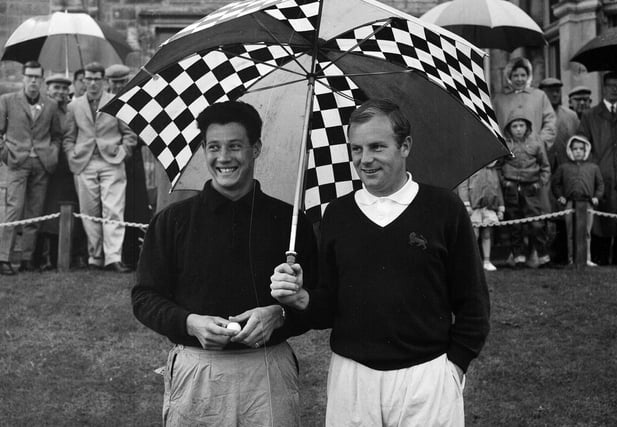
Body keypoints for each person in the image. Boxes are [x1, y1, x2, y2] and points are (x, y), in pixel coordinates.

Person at [271, 99, 490, 426]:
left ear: (405, 146)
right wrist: (303, 297)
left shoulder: (444, 208)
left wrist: (455, 365)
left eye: (377, 147)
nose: (365, 160)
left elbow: (474, 301)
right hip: (353, 379)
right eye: (356, 149)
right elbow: (329, 302)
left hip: (426, 377)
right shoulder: (338, 214)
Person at [132, 101, 317, 426]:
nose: (224, 157)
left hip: (267, 370)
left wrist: (281, 313)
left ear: (256, 148)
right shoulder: (173, 221)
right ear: (203, 149)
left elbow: (318, 300)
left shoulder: (288, 223)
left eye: (235, 146)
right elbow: (145, 297)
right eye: (214, 147)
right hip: (197, 371)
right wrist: (189, 322)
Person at [63, 62, 137, 272]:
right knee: (89, 211)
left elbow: (130, 134)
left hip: (111, 161)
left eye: (97, 79)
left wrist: (123, 151)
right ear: (83, 80)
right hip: (84, 162)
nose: (93, 83)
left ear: (104, 81)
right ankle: (95, 257)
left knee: (113, 209)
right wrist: (71, 155)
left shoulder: (116, 102)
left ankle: (113, 257)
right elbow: (68, 137)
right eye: (89, 79)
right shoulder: (74, 106)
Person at [0, 61, 62, 276]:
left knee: (34, 213)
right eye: (30, 76)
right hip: (17, 162)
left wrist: (51, 153)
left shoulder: (50, 105)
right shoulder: (7, 101)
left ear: (42, 80)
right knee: (13, 210)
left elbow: (57, 135)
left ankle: (27, 258)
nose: (33, 81)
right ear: (23, 78)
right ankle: (4, 258)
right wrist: (7, 155)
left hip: (42, 164)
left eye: (37, 77)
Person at [577, 71, 617, 265]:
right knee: (601, 217)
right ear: (603, 88)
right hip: (601, 171)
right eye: (610, 85)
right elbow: (582, 143)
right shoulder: (590, 115)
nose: (614, 89)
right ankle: (600, 256)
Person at [36, 73, 88, 270]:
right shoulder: (45, 110)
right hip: (49, 166)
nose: (60, 92)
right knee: (48, 211)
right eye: (56, 87)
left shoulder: (72, 109)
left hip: (71, 166)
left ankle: (76, 255)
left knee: (75, 209)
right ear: (48, 90)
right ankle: (45, 257)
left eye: (64, 88)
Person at [105, 64, 151, 267]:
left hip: (133, 163)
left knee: (134, 206)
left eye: (122, 82)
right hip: (111, 160)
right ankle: (116, 254)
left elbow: (147, 131)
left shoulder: (139, 101)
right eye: (115, 83)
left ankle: (132, 254)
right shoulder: (105, 103)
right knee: (114, 206)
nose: (118, 87)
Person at [499, 110, 551, 268]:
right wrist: (505, 183)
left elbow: (545, 167)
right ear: (509, 128)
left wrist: (538, 183)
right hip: (511, 188)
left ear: (527, 127)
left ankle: (542, 257)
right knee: (515, 223)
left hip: (530, 187)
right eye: (515, 126)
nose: (518, 129)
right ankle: (519, 257)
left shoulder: (535, 143)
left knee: (536, 223)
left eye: (521, 125)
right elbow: (498, 167)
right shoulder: (505, 145)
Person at [539, 77, 581, 265]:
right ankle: (546, 253)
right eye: (550, 91)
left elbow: (578, 141)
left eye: (557, 90)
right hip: (544, 170)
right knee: (546, 211)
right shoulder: (539, 114)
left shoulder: (570, 116)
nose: (554, 94)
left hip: (566, 171)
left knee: (566, 211)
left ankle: (565, 253)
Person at [551, 135, 604, 267]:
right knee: (570, 232)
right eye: (575, 149)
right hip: (570, 203)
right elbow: (555, 184)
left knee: (586, 232)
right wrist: (560, 196)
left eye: (581, 148)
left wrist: (597, 197)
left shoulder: (593, 168)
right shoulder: (564, 167)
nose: (578, 151)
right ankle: (571, 259)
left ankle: (586, 258)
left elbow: (600, 184)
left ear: (586, 150)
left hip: (588, 204)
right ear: (570, 150)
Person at [493, 57, 557, 150]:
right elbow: (492, 124)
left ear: (528, 76)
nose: (520, 79)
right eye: (515, 75)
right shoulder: (499, 100)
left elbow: (550, 122)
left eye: (523, 75)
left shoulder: (539, 96)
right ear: (509, 77)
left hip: (533, 152)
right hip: (507, 152)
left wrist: (540, 142)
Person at [458, 161, 505, 271]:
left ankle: (487, 261)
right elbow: (463, 186)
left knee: (487, 233)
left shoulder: (493, 170)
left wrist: (500, 207)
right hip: (474, 207)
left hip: (489, 206)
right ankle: (472, 261)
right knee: (473, 234)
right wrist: (466, 203)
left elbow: (498, 188)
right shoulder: (470, 167)